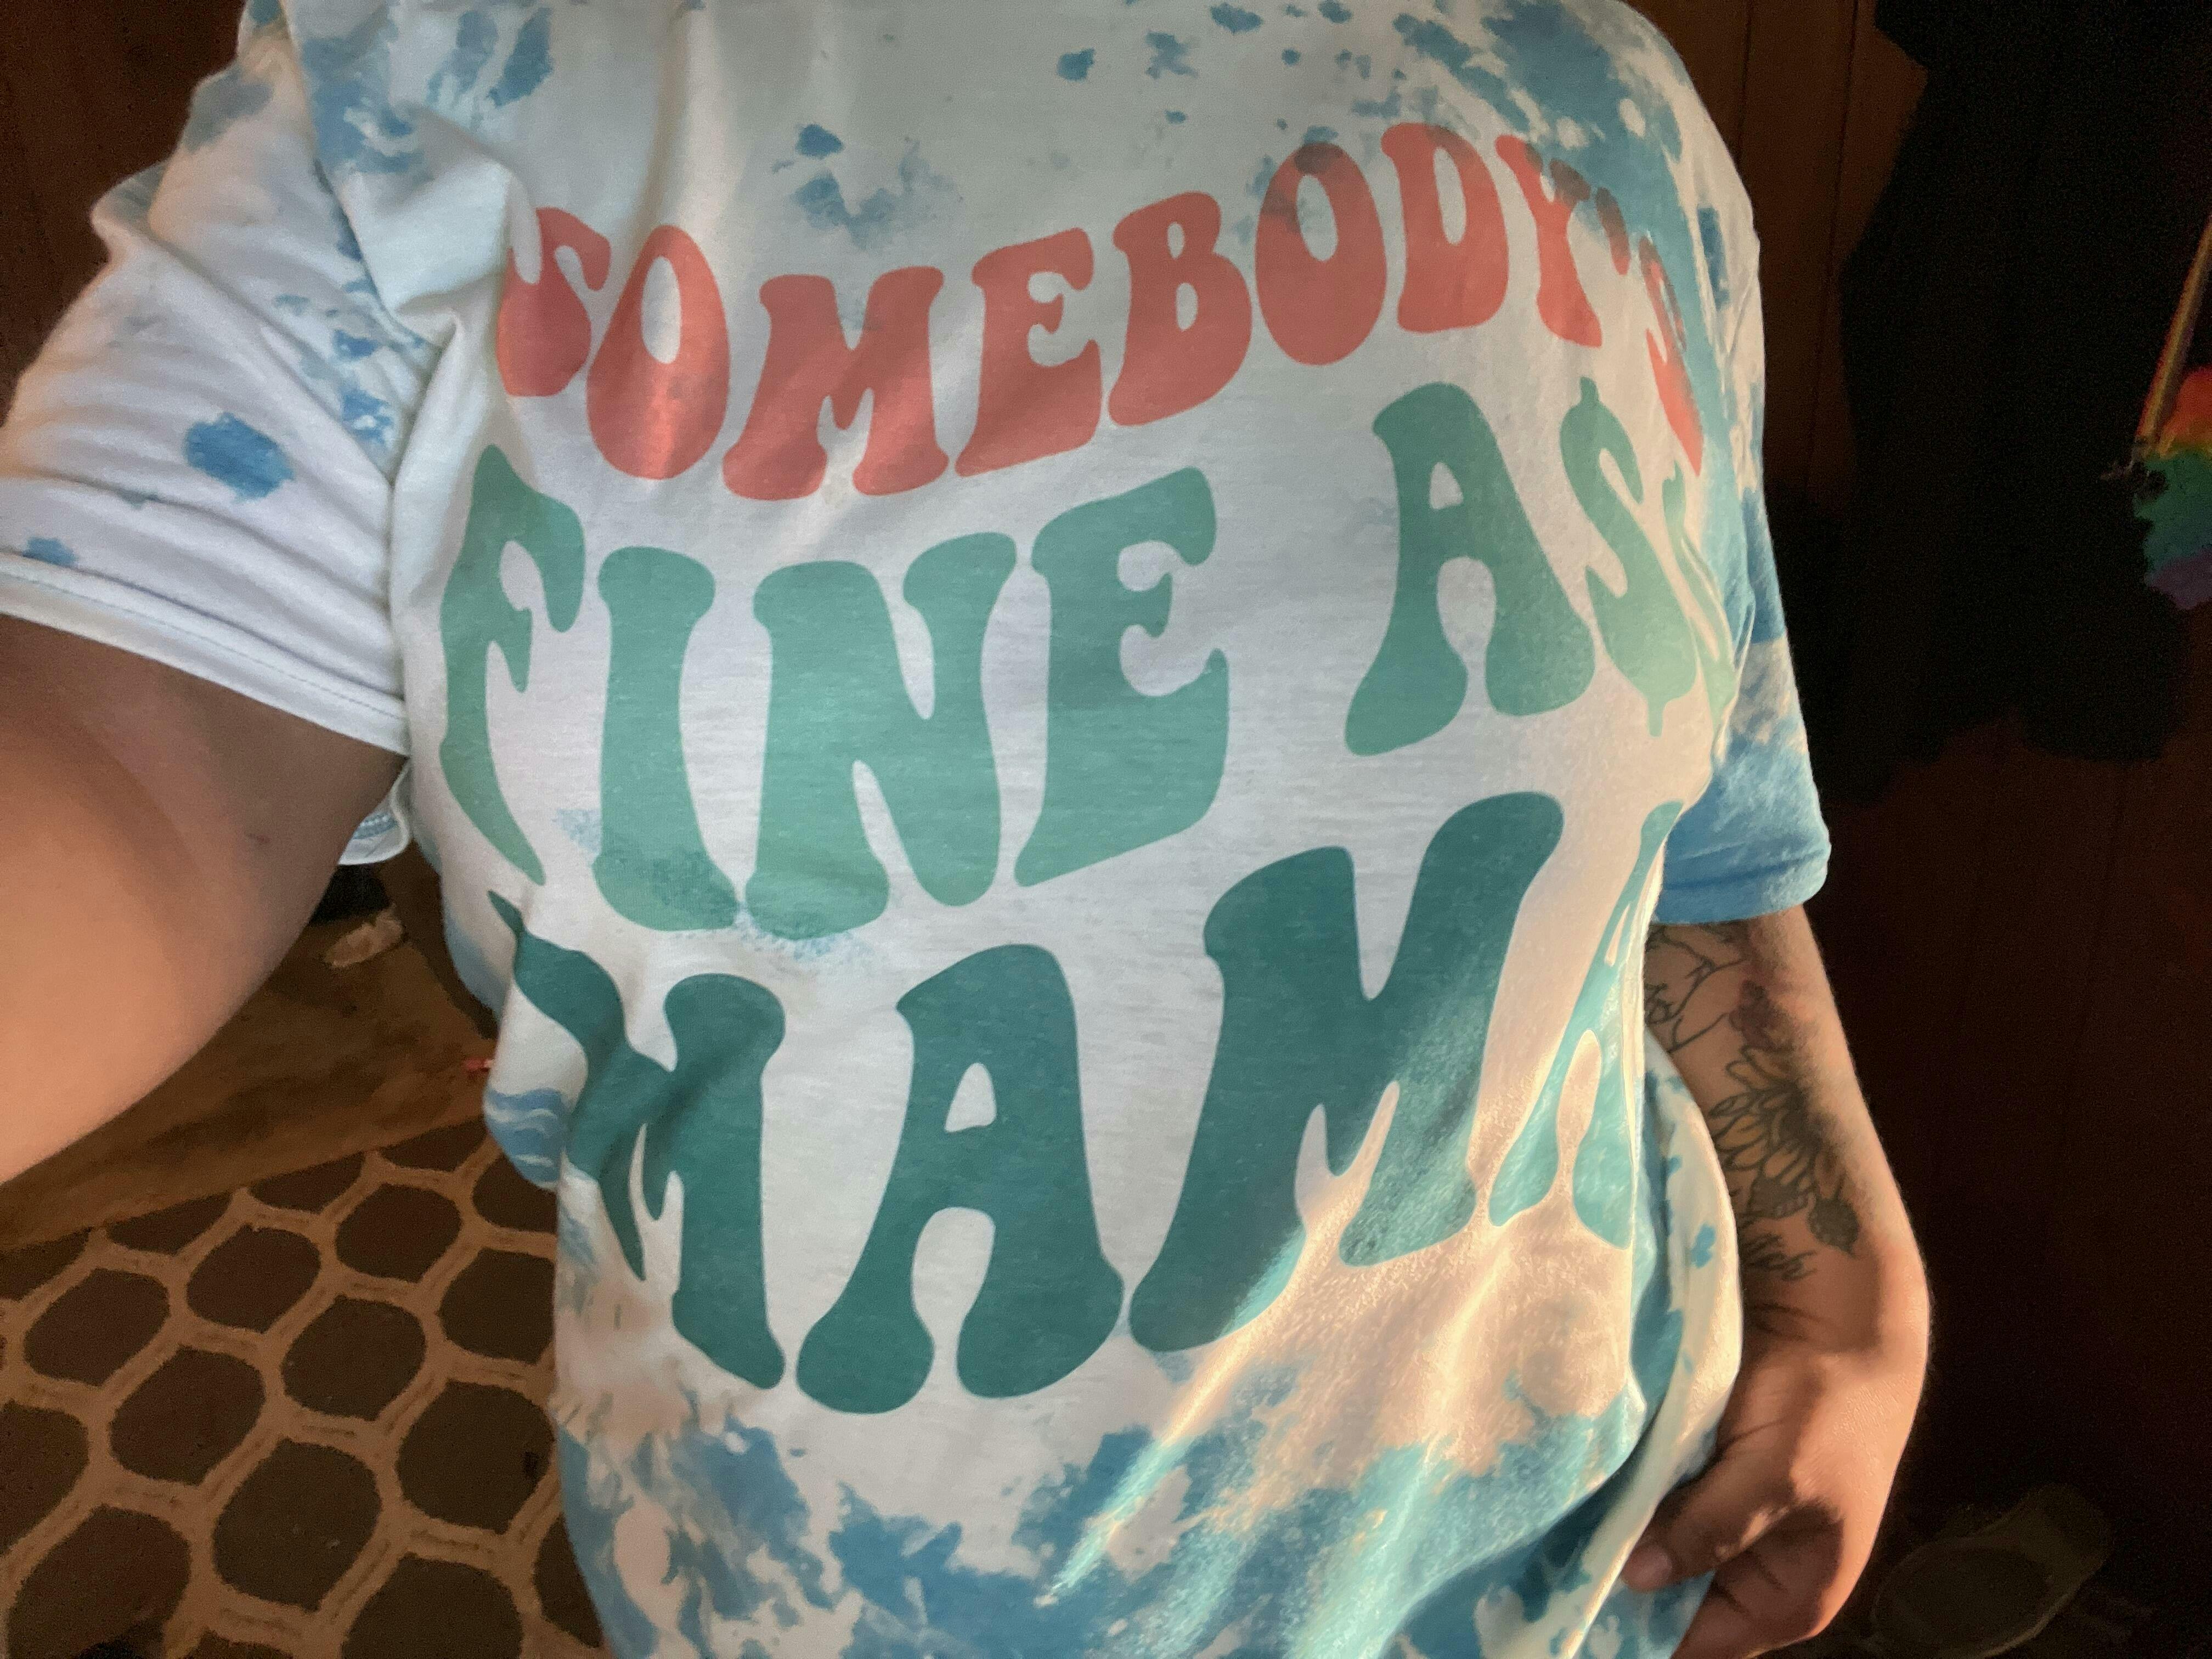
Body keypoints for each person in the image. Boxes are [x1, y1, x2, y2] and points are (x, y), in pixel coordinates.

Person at [0, 0, 1929, 1653]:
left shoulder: (1590, 91)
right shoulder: (435, 87)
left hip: (1587, 1561)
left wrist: (1846, 1282)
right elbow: (128, 776)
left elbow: (1697, 826)